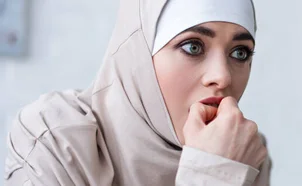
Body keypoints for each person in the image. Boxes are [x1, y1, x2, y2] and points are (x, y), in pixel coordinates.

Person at [4, 0, 271, 185]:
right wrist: (214, 176)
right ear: (139, 56)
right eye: (192, 47)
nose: (222, 77)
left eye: (240, 53)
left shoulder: (242, 149)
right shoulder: (56, 140)